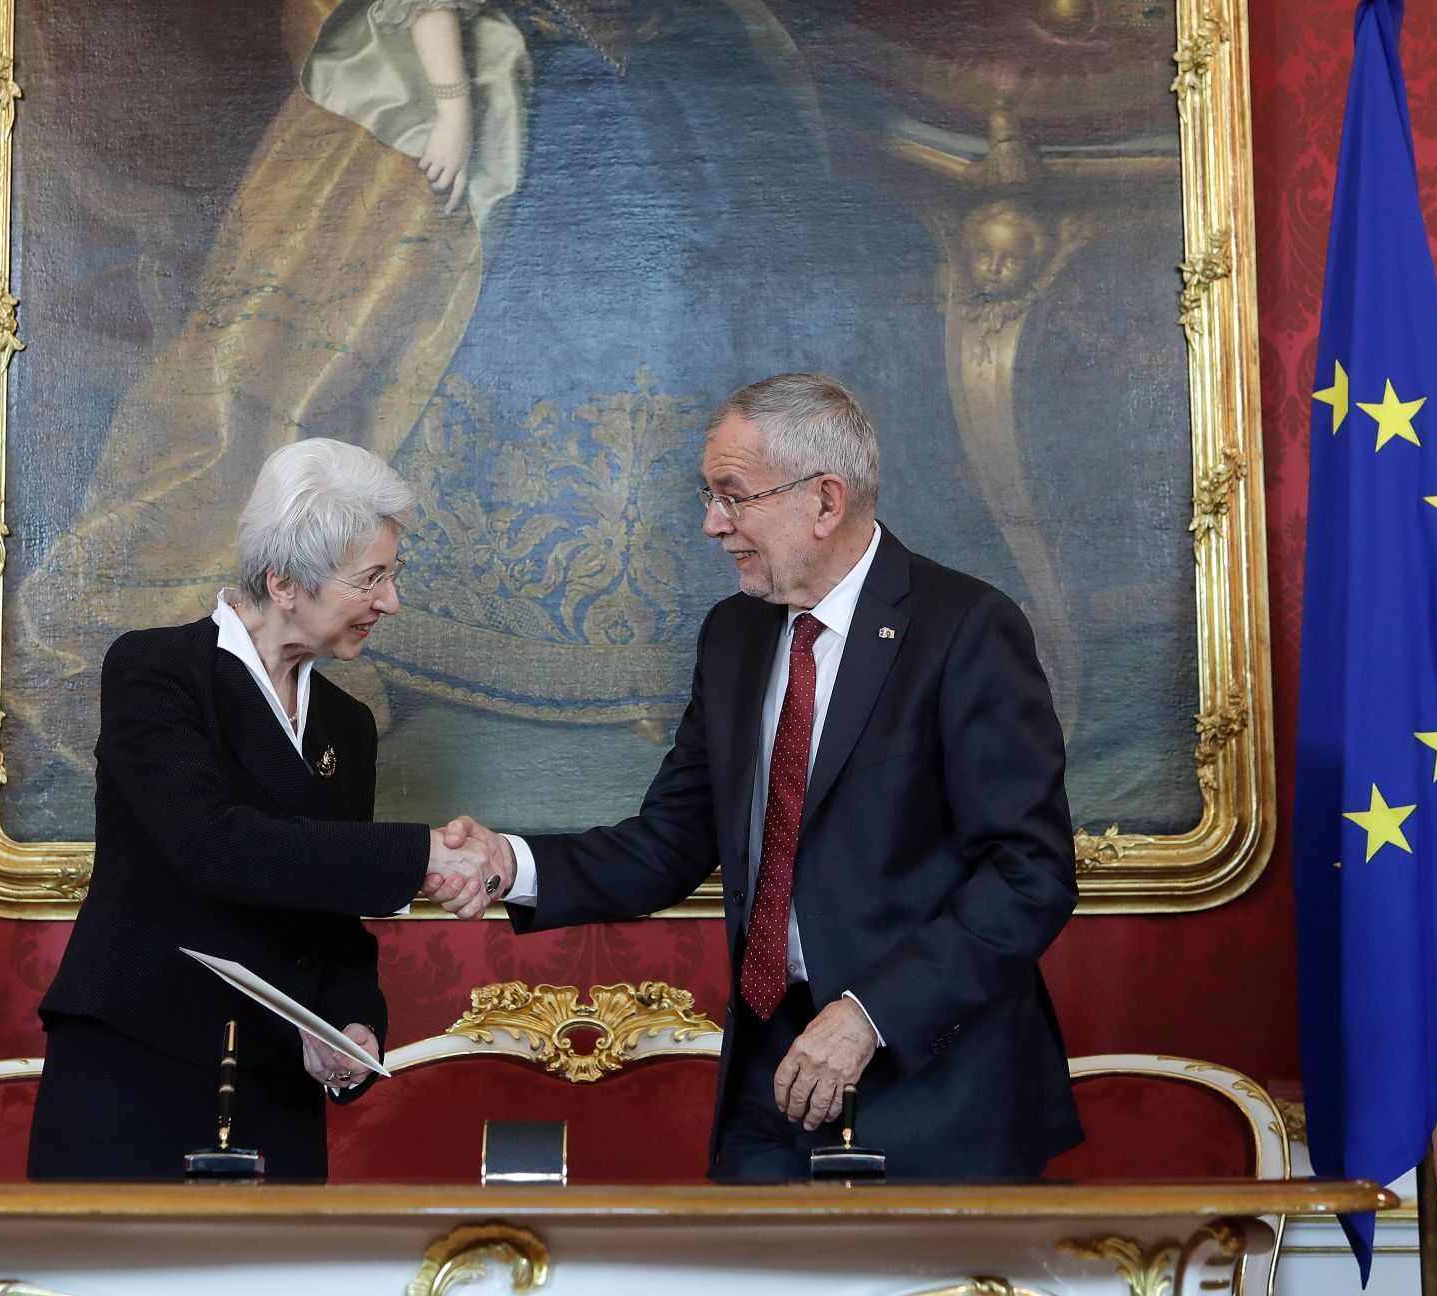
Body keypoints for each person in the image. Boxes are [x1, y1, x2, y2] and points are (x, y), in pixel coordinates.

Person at [13, 0, 975, 760]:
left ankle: (713, 602)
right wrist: (458, 113)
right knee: (547, 288)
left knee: (734, 272)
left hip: (674, 73)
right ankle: (497, 624)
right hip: (535, 81)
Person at [432, 373, 1082, 1181]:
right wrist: (511, 864)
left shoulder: (966, 629)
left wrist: (870, 1016)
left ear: (824, 500)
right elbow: (673, 836)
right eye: (710, 497)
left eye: (732, 497)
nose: (713, 525)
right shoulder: (734, 635)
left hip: (933, 1087)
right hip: (766, 1086)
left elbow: (1030, 874)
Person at [26, 438, 504, 1179]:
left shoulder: (346, 725)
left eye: (391, 575)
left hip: (276, 1083)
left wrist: (352, 1025)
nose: (390, 601)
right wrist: (424, 855)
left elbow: (333, 918)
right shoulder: (155, 671)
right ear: (284, 583)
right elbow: (212, 845)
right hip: (136, 1068)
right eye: (369, 579)